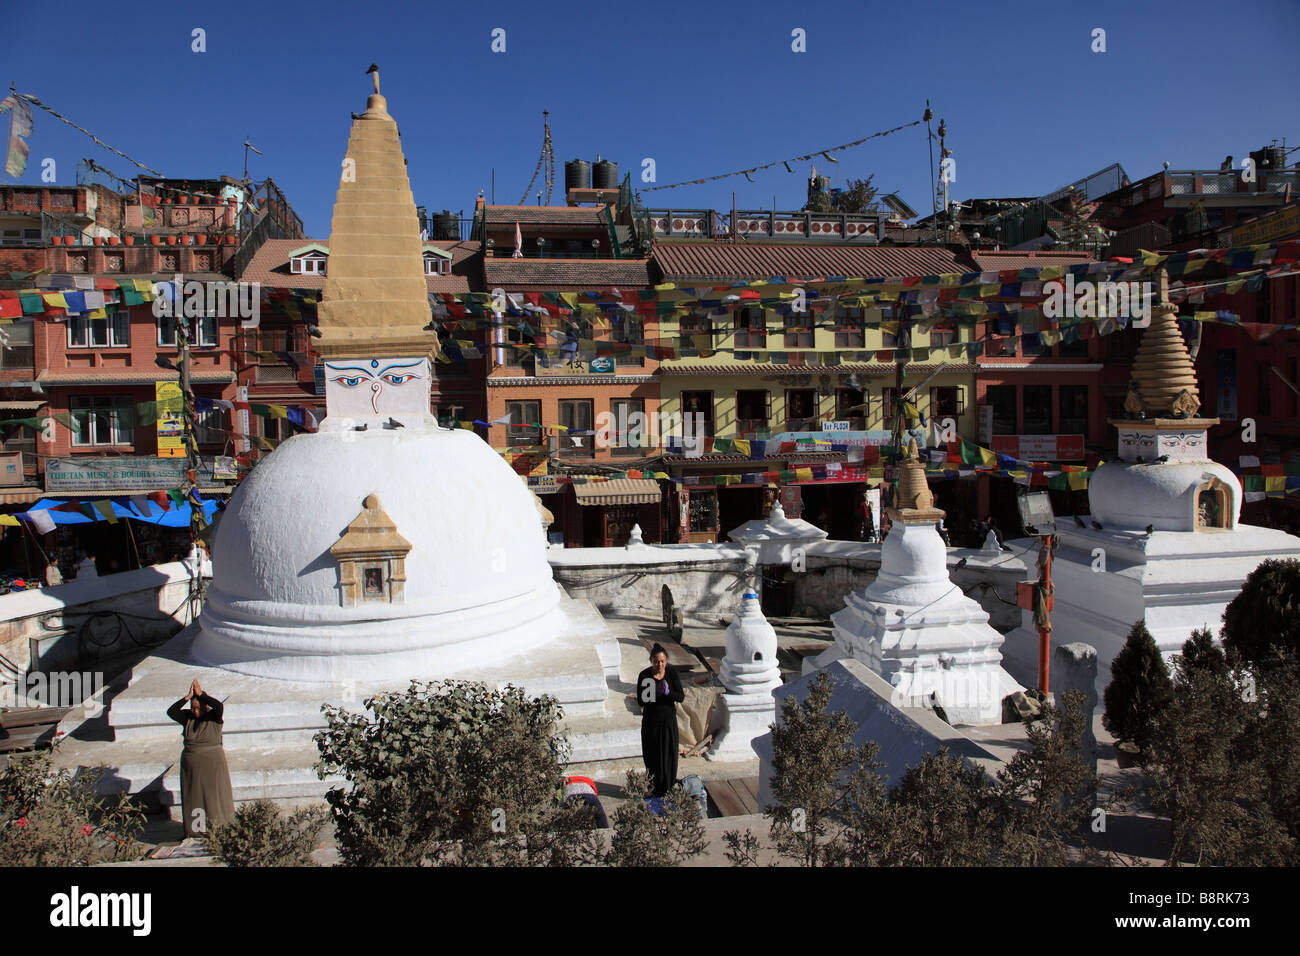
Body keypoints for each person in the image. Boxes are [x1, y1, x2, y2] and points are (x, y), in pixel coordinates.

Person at [166, 679, 235, 839]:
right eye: (193, 708)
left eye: (198, 708)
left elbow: (219, 706)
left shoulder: (214, 717)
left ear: (205, 707)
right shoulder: (187, 718)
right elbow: (171, 712)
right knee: (194, 798)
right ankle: (196, 830)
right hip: (192, 767)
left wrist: (202, 695)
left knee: (214, 797)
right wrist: (187, 697)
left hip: (212, 764)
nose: (196, 711)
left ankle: (219, 829)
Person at [636, 643, 684, 798]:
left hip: (668, 722)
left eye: (663, 661)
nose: (660, 664)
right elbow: (642, 701)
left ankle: (668, 786)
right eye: (657, 661)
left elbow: (680, 697)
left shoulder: (671, 673)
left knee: (669, 755)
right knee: (652, 756)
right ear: (651, 661)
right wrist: (655, 691)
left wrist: (667, 693)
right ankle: (655, 787)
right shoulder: (645, 676)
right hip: (652, 722)